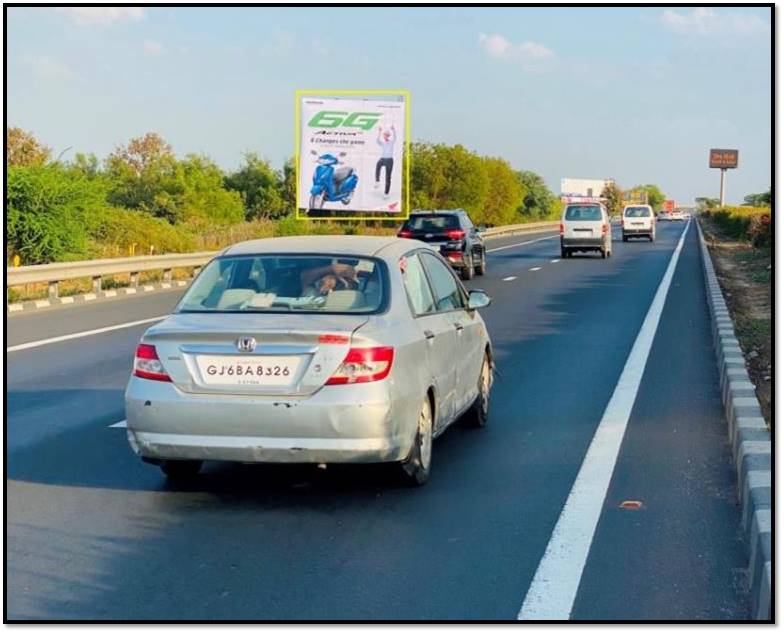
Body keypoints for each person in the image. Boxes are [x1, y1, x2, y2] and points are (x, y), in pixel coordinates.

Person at [375, 125, 396, 198]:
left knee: (388, 177)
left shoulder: (391, 142)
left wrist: (393, 130)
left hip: (389, 160)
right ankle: (377, 181)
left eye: (386, 135)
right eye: (384, 135)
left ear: (388, 136)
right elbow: (377, 141)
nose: (385, 136)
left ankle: (386, 193)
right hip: (383, 159)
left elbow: (395, 137)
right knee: (378, 165)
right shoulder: (383, 143)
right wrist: (379, 131)